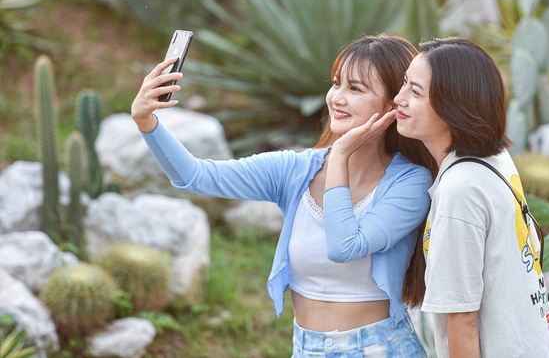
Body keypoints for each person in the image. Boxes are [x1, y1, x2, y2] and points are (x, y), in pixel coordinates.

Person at [131, 34, 436, 357]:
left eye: (355, 88)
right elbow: (195, 176)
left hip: (381, 349)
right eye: (336, 84)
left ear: (393, 105)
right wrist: (146, 122)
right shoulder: (295, 170)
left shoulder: (410, 182)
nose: (337, 98)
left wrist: (342, 155)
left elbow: (344, 246)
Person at [393, 37, 549, 358]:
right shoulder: (496, 160)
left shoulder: (460, 190)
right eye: (404, 84)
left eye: (415, 92)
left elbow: (462, 319)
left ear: (453, 105)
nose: (399, 99)